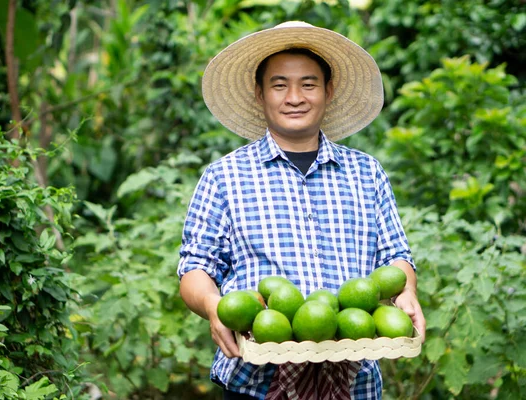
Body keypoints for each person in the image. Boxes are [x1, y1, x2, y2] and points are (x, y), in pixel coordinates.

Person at [177, 21, 426, 400]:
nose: (294, 96)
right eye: (279, 85)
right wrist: (215, 308)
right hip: (254, 383)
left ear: (328, 91)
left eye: (308, 84)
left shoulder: (366, 173)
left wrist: (407, 290)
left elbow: (395, 256)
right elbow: (195, 268)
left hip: (354, 380)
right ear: (260, 94)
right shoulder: (224, 176)